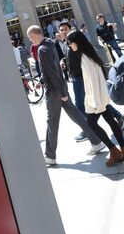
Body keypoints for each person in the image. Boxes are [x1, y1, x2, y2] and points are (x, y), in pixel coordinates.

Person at [26, 25, 104, 166]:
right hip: (60, 89)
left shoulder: (42, 49)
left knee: (52, 123)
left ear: (34, 35)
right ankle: (96, 141)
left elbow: (53, 72)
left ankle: (50, 156)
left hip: (55, 92)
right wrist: (42, 80)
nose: (30, 40)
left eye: (30, 37)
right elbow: (52, 69)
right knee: (77, 116)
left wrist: (61, 93)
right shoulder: (49, 44)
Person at [66, 29, 124, 166]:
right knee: (111, 122)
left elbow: (94, 80)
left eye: (70, 42)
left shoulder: (85, 57)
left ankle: (114, 151)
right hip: (100, 96)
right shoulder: (88, 54)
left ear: (76, 42)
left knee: (91, 123)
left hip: (96, 98)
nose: (69, 46)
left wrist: (94, 100)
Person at [61, 21, 124, 142]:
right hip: (78, 77)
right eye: (61, 30)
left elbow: (88, 67)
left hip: (81, 78)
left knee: (81, 105)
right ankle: (117, 117)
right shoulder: (69, 43)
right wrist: (64, 62)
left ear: (71, 29)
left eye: (65, 29)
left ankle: (89, 130)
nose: (62, 32)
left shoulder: (80, 48)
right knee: (99, 107)